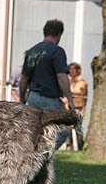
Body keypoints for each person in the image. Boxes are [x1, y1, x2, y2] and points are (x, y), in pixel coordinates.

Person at [18, 19, 75, 149]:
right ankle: (42, 156)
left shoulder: (32, 51)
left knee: (36, 132)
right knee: (64, 128)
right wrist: (70, 99)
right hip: (49, 98)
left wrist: (22, 100)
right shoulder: (57, 51)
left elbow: (24, 79)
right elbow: (61, 76)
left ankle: (35, 158)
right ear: (59, 34)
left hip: (32, 98)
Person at [65, 62, 87, 150]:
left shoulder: (83, 82)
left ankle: (80, 147)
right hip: (68, 107)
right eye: (70, 69)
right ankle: (69, 147)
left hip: (79, 106)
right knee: (68, 128)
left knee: (78, 128)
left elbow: (85, 97)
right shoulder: (67, 82)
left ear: (78, 70)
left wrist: (83, 109)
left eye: (74, 69)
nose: (72, 71)